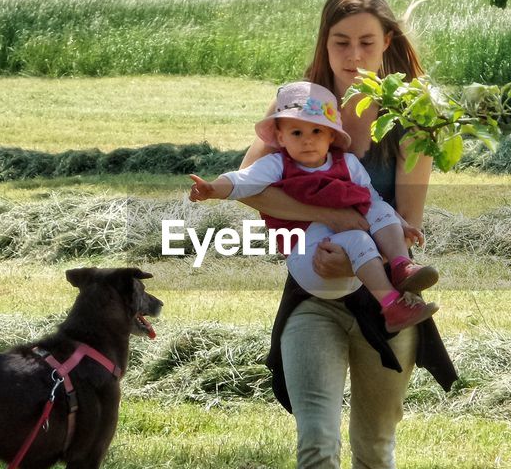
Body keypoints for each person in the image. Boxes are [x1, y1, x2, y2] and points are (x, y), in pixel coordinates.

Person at [234, 0, 457, 469]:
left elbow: (408, 223)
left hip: (389, 298)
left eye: (366, 41)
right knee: (315, 437)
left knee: (375, 445)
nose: (353, 54)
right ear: (324, 45)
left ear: (388, 45)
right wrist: (329, 222)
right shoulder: (300, 108)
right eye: (340, 42)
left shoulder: (411, 119)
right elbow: (250, 191)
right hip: (312, 295)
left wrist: (348, 238)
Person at [187, 80, 440, 333]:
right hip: (311, 257)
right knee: (357, 239)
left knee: (378, 209)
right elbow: (240, 181)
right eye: (297, 133)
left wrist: (401, 224)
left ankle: (400, 266)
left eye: (316, 132)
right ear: (280, 137)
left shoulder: (348, 164)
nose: (307, 140)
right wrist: (212, 189)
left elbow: (373, 199)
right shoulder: (278, 165)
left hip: (352, 264)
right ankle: (390, 305)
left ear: (331, 135)